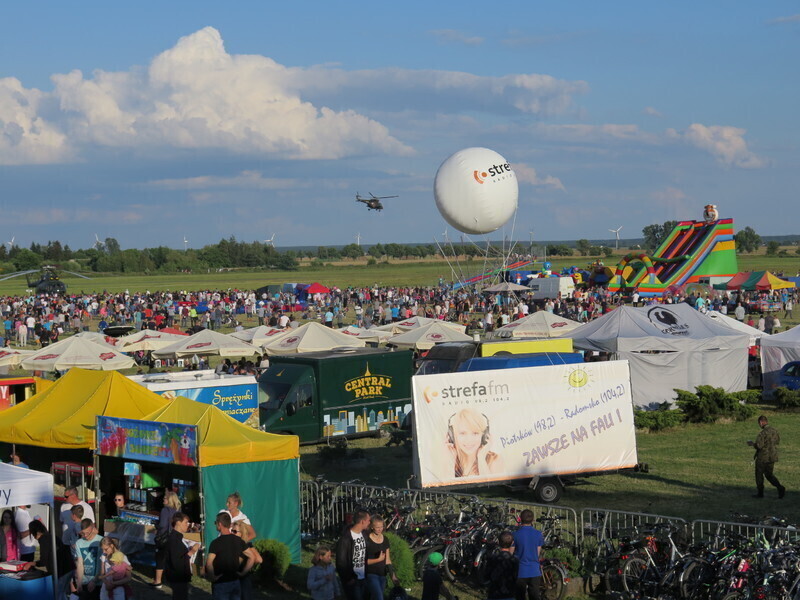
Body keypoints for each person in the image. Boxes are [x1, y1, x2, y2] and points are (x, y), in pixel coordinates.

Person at [206, 511, 255, 600]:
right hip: (235, 582)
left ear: (220, 524)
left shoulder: (215, 543)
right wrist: (243, 573)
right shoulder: (238, 541)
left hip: (221, 583)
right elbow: (252, 557)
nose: (216, 525)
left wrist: (212, 577)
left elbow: (209, 563)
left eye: (216, 523)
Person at [445, 409, 504, 478]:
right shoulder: (447, 461)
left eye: (475, 433)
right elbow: (447, 487)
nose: (469, 440)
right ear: (453, 436)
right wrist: (451, 462)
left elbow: (490, 488)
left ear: (484, 435)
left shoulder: (494, 460)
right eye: (462, 433)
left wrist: (481, 458)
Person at [24, 519, 75, 600]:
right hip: (69, 567)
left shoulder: (44, 539)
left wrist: (31, 563)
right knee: (62, 594)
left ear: (34, 532)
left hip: (62, 571)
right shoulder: (50, 536)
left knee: (58, 595)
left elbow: (43, 561)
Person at [747, 415, 786, 498]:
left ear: (761, 422)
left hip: (763, 457)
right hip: (772, 456)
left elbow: (759, 446)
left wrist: (752, 444)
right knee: (769, 475)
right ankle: (780, 487)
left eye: (759, 423)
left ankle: (760, 493)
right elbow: (777, 441)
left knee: (759, 475)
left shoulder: (762, 433)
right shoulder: (774, 431)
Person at [336, 509, 370, 600]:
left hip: (363, 576)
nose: (369, 523)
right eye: (368, 520)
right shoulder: (345, 539)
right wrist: (348, 579)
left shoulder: (364, 534)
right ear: (362, 521)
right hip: (353, 578)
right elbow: (341, 562)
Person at [165, 512, 198, 600]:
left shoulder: (178, 537)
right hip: (178, 577)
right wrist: (192, 551)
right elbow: (176, 562)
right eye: (186, 522)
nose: (187, 525)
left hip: (180, 576)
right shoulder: (174, 539)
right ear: (178, 523)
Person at [365, 516, 399, 600]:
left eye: (381, 527)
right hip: (370, 573)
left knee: (375, 597)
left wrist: (393, 576)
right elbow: (362, 561)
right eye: (377, 527)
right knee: (379, 597)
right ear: (372, 527)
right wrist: (378, 560)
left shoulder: (385, 539)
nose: (380, 529)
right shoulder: (366, 540)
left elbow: (388, 560)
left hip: (382, 574)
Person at [153, 489, 182, 588]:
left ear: (169, 500)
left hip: (165, 538)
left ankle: (158, 581)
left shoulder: (165, 510)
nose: (163, 499)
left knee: (160, 558)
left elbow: (163, 525)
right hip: (176, 537)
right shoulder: (178, 510)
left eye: (165, 498)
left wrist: (157, 528)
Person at [513, 509, 544, 600]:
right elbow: (537, 552)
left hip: (520, 570)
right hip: (534, 570)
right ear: (533, 520)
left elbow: (511, 553)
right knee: (534, 596)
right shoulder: (538, 534)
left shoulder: (515, 534)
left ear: (520, 519)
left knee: (520, 596)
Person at [232, 521, 263, 600]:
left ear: (242, 533)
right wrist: (247, 568)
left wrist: (244, 571)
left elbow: (259, 559)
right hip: (243, 577)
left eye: (235, 531)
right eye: (232, 530)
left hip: (239, 577)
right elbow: (259, 560)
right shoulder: (247, 544)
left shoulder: (243, 545)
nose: (232, 533)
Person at [73, 519, 103, 600]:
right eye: (83, 533)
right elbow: (80, 564)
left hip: (99, 582)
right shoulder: (79, 543)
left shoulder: (101, 541)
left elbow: (104, 565)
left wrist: (94, 581)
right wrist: (79, 583)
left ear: (93, 528)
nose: (85, 535)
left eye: (87, 532)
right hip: (85, 582)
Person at [485, 531, 519, 600]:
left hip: (494, 594)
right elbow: (516, 577)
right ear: (512, 543)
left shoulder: (493, 558)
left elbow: (486, 575)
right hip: (509, 594)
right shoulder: (514, 560)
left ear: (499, 542)